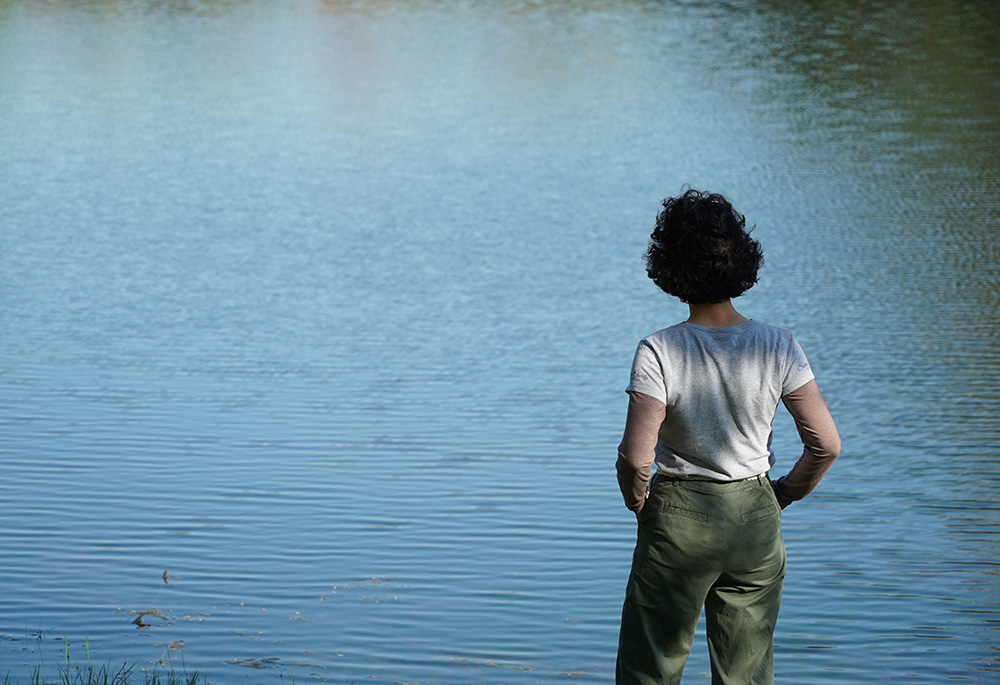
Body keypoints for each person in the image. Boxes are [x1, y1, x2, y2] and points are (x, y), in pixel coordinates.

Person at [615, 189, 841, 685]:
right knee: (747, 675)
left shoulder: (659, 351)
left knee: (649, 671)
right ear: (740, 257)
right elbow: (825, 444)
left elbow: (636, 459)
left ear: (669, 263)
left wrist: (640, 503)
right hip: (755, 521)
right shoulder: (779, 345)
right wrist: (779, 496)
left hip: (677, 518)